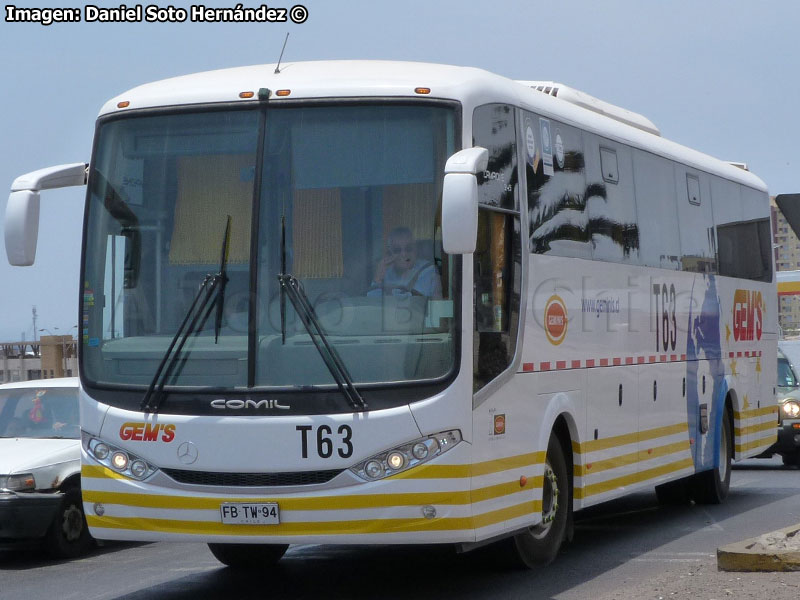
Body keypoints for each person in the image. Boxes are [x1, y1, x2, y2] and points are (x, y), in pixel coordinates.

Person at [368, 227, 442, 298]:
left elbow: (433, 303)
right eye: (397, 250)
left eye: (408, 248)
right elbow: (372, 302)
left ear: (415, 249)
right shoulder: (385, 272)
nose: (403, 254)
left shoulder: (429, 271)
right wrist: (378, 278)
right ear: (390, 252)